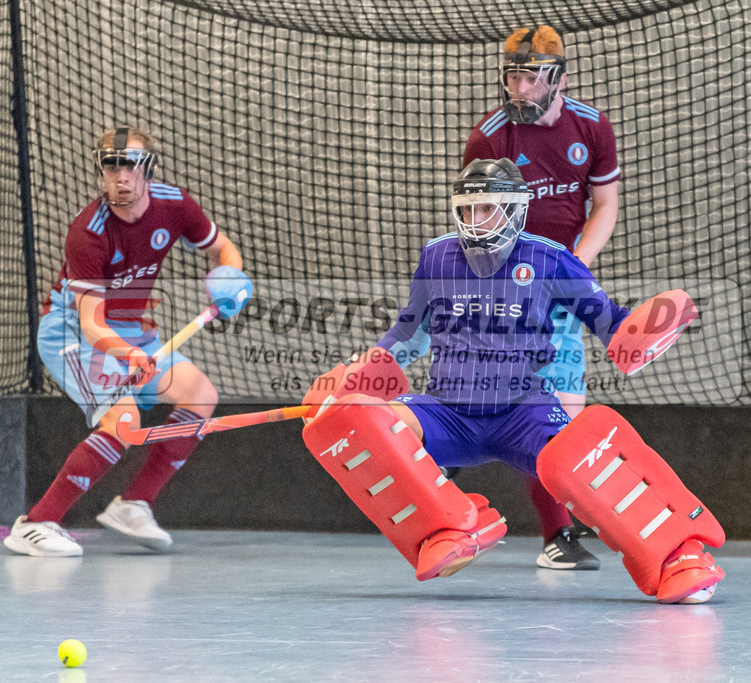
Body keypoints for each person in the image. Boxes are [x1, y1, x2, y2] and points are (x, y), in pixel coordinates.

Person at [299, 159, 724, 604]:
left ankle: (680, 555)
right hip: (448, 410)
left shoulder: (551, 259)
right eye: (466, 211)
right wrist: (360, 372)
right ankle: (448, 527)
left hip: (523, 410)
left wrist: (639, 335)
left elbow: (611, 323)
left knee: (584, 457)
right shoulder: (437, 256)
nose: (475, 221)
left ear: (515, 209)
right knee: (361, 423)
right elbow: (408, 332)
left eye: (487, 209)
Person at [4, 126, 252, 557]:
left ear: (147, 170)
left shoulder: (175, 205)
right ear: (101, 172)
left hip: (130, 328)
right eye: (111, 166)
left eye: (130, 165)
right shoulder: (89, 231)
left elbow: (223, 248)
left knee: (199, 394)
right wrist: (131, 354)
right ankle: (36, 523)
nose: (121, 176)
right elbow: (92, 324)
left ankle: (134, 504)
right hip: (73, 333)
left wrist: (229, 278)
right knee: (124, 418)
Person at [462, 25, 621, 570]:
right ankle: (441, 496)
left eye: (531, 77)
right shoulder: (491, 137)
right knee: (489, 404)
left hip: (560, 288)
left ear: (559, 77)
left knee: (560, 416)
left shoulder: (592, 128)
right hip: (501, 284)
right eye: (512, 77)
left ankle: (558, 534)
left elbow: (604, 204)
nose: (519, 89)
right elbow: (476, 222)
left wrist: (572, 266)